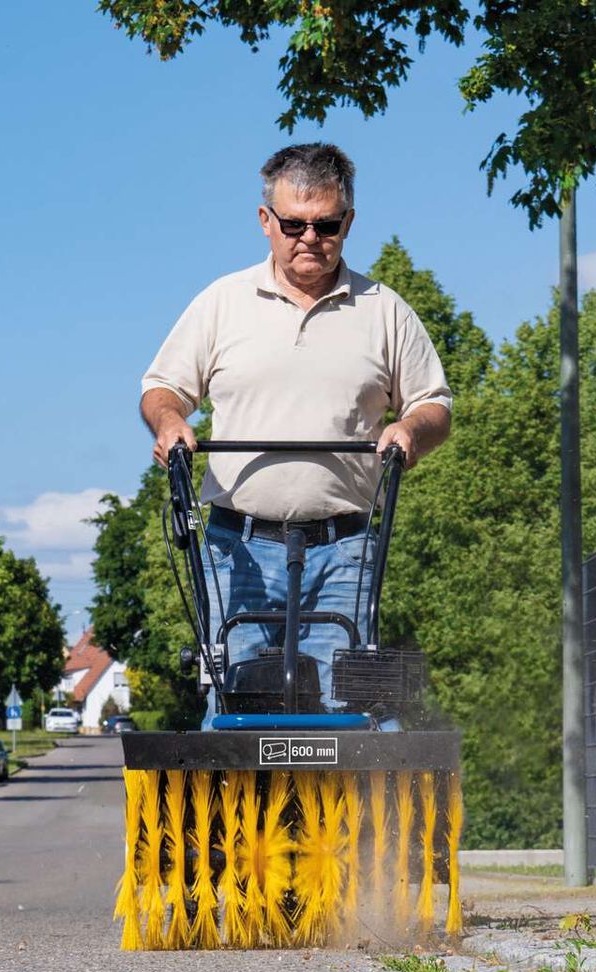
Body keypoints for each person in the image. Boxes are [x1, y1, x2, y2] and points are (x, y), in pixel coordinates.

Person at [140, 143, 452, 724]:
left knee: (349, 714)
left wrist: (409, 427)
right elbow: (162, 388)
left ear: (347, 222)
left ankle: (351, 790)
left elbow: (435, 404)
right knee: (235, 709)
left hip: (343, 550)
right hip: (238, 550)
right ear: (266, 221)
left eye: (326, 225)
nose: (310, 237)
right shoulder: (222, 304)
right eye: (294, 224)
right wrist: (171, 421)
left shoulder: (384, 311)